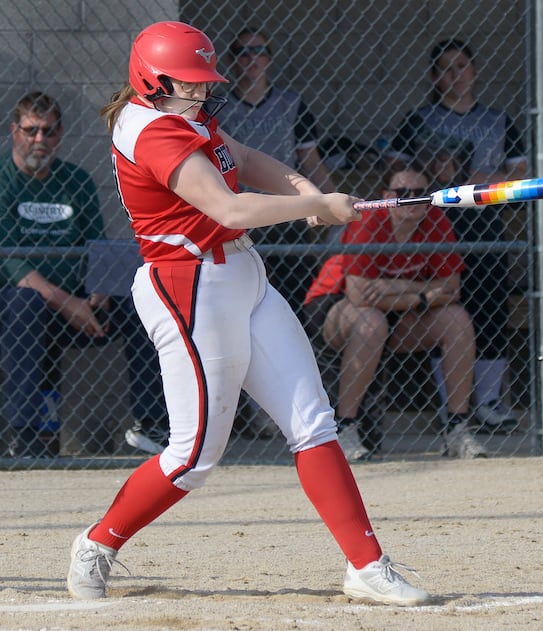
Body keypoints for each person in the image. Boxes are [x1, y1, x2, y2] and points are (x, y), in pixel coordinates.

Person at [66, 21, 429, 607]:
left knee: (313, 422)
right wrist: (313, 204)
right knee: (194, 456)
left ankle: (367, 564)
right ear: (151, 81)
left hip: (244, 276)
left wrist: (305, 186)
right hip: (190, 288)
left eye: (203, 82)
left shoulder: (186, 111)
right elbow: (229, 207)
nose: (201, 92)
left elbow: (241, 156)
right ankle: (98, 542)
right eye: (189, 83)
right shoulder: (152, 129)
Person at [0, 91, 166, 458]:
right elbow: (12, 263)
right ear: (14, 131)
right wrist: (69, 303)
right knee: (25, 302)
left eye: (48, 131)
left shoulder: (76, 180)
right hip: (17, 308)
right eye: (31, 131)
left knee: (139, 299)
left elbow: (96, 245)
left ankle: (152, 425)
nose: (39, 140)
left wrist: (100, 291)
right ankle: (24, 435)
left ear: (60, 134)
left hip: (78, 305)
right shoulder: (2, 180)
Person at [389, 38, 527, 434]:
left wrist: (490, 180)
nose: (455, 75)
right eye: (446, 68)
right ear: (435, 76)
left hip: (484, 223)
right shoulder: (419, 120)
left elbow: (521, 173)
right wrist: (433, 177)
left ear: (474, 70)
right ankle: (455, 404)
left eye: (462, 66)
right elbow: (397, 172)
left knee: (489, 305)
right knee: (447, 306)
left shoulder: (498, 120)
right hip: (436, 223)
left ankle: (488, 400)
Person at [304, 167, 486, 461]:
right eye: (402, 194)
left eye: (418, 194)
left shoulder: (435, 220)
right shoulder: (369, 220)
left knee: (456, 319)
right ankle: (345, 428)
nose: (411, 200)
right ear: (387, 196)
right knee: (370, 320)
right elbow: (359, 295)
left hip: (406, 309)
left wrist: (402, 289)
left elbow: (451, 289)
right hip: (334, 305)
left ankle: (457, 428)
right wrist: (424, 292)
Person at [218, 26, 336, 439]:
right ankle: (244, 414)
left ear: (269, 58)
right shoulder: (218, 107)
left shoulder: (291, 104)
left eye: (259, 51)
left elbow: (310, 160)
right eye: (242, 52)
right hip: (235, 224)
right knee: (237, 320)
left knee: (281, 314)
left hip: (285, 220)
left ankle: (280, 410)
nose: (251, 59)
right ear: (231, 60)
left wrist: (323, 200)